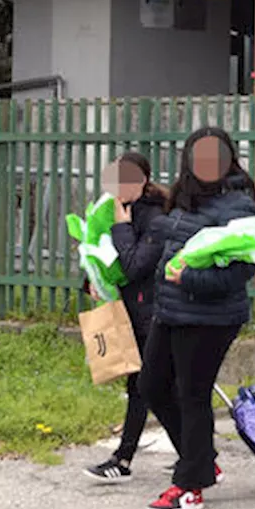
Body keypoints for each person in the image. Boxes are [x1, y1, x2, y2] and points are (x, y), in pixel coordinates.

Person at [139, 128, 255, 509]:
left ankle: (189, 485)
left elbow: (241, 271)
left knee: (193, 393)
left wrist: (187, 279)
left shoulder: (239, 206)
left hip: (212, 317)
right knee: (152, 385)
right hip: (171, 310)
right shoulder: (185, 198)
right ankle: (201, 459)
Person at [83, 152, 168, 484]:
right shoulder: (117, 210)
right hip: (132, 311)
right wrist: (91, 279)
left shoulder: (155, 216)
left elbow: (134, 265)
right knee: (155, 386)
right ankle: (199, 458)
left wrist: (121, 225)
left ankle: (124, 459)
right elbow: (103, 252)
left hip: (154, 312)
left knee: (148, 386)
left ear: (143, 180)